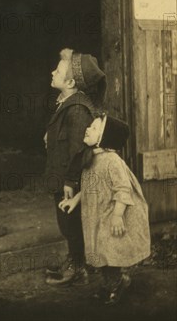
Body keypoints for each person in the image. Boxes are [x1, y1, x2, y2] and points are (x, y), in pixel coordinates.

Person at [59, 115, 151, 305]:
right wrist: (75, 199)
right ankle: (113, 283)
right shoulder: (91, 159)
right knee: (99, 251)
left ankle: (116, 285)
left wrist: (118, 216)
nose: (87, 129)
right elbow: (90, 187)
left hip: (111, 212)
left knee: (109, 251)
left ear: (104, 138)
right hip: (96, 215)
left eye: (93, 128)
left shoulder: (112, 161)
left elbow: (123, 189)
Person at [43, 48, 106, 285]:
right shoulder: (68, 102)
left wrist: (71, 182)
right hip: (62, 176)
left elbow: (78, 150)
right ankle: (75, 260)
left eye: (57, 70)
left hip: (69, 180)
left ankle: (78, 268)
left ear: (70, 82)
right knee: (67, 222)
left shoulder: (78, 109)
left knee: (71, 224)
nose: (52, 71)